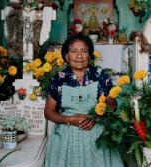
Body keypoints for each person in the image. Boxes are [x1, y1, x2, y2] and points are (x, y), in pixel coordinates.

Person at [44, 33, 124, 167]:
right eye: (74, 51)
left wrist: (96, 117)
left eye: (84, 51)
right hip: (66, 133)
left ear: (90, 55)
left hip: (96, 131)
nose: (79, 56)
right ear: (66, 56)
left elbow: (112, 107)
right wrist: (69, 120)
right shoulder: (58, 79)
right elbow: (48, 112)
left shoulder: (100, 76)